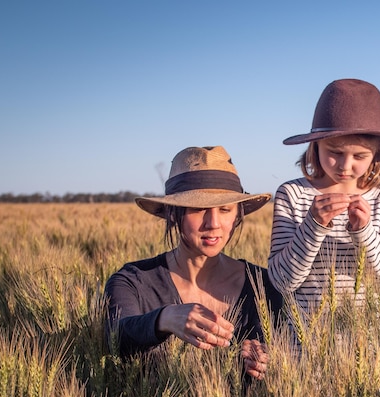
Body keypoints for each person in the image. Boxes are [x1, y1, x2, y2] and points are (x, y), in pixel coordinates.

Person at [104, 145, 282, 379]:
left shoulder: (265, 285)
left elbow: (296, 353)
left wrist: (269, 359)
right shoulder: (132, 282)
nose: (213, 223)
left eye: (225, 209)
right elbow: (115, 336)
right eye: (199, 210)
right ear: (172, 213)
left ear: (237, 214)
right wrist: (163, 319)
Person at [268, 78, 380, 319]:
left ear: (377, 153)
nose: (345, 166)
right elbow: (282, 281)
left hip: (373, 347)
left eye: (359, 155)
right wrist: (313, 226)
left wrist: (365, 233)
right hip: (302, 348)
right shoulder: (293, 196)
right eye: (334, 152)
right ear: (315, 146)